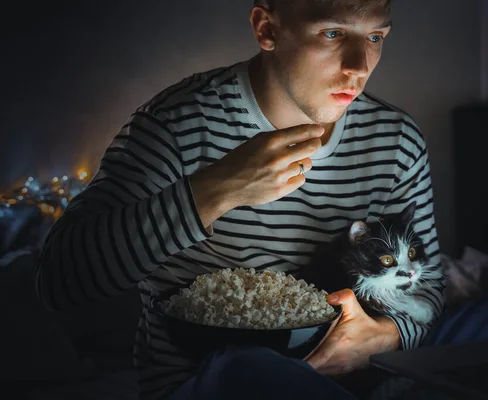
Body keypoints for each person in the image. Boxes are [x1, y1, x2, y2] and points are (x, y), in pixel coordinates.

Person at [35, 0, 445, 399]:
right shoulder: (177, 124)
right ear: (266, 28)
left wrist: (386, 338)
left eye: (375, 36)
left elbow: (431, 290)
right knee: (250, 367)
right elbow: (59, 282)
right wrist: (216, 189)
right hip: (213, 381)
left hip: (351, 383)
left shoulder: (397, 140)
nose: (359, 66)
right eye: (332, 32)